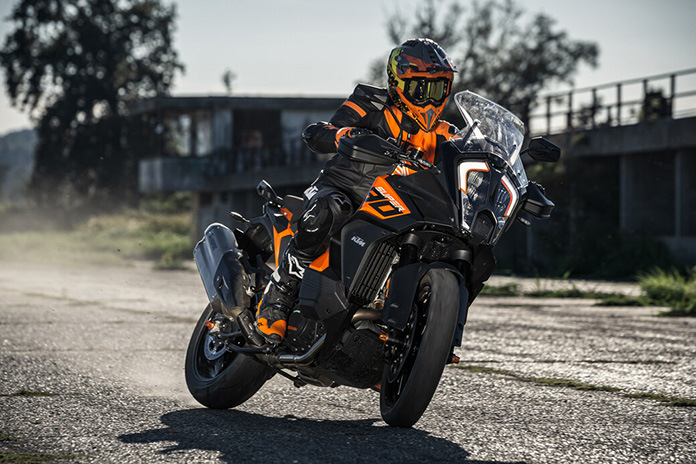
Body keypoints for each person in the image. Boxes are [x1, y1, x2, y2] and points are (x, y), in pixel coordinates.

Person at [255, 38, 459, 344]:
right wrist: (343, 134)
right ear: (397, 84)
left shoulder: (446, 133)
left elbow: (470, 158)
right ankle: (279, 293)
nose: (429, 99)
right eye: (420, 89)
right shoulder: (370, 102)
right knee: (332, 208)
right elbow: (321, 132)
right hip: (345, 189)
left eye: (438, 89)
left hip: (400, 208)